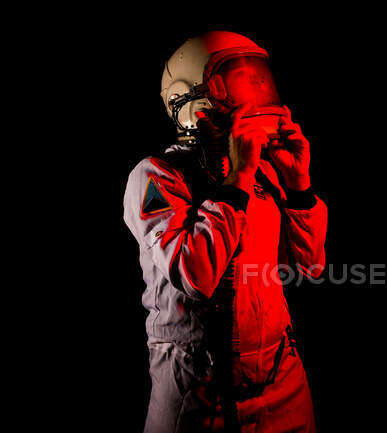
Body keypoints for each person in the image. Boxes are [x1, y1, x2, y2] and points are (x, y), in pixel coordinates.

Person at [123, 30, 327, 433]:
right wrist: (236, 180)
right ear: (192, 103)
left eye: (259, 80)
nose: (253, 96)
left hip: (282, 386)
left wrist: (299, 187)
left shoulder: (260, 174)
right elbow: (195, 274)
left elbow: (309, 268)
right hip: (199, 395)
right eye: (236, 83)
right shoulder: (157, 177)